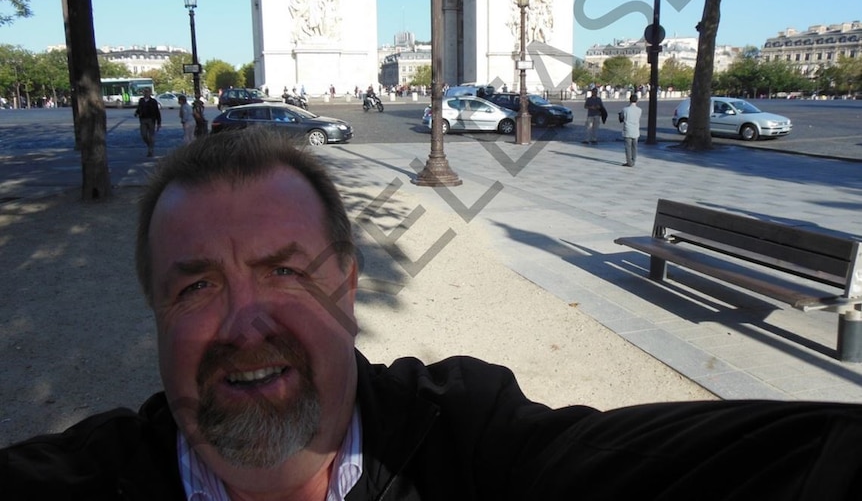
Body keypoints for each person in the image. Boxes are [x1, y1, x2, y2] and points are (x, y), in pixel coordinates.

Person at [5, 128, 862, 500]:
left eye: (285, 270)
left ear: (347, 287)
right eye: (194, 286)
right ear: (155, 311)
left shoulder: (474, 444)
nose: (243, 321)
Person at [134, 87, 161, 157]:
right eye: (145, 92)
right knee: (143, 135)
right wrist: (136, 113)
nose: (146, 93)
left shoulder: (153, 101)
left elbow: (157, 112)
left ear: (150, 93)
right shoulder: (141, 100)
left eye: (147, 92)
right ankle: (149, 145)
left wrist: (159, 123)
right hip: (143, 119)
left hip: (151, 120)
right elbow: (139, 108)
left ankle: (150, 150)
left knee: (151, 136)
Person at [620, 93, 642, 167]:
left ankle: (629, 162)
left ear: (629, 100)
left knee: (628, 147)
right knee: (634, 147)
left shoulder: (625, 109)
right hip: (635, 130)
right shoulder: (639, 110)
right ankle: (633, 160)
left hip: (628, 129)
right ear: (637, 101)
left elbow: (621, 118)